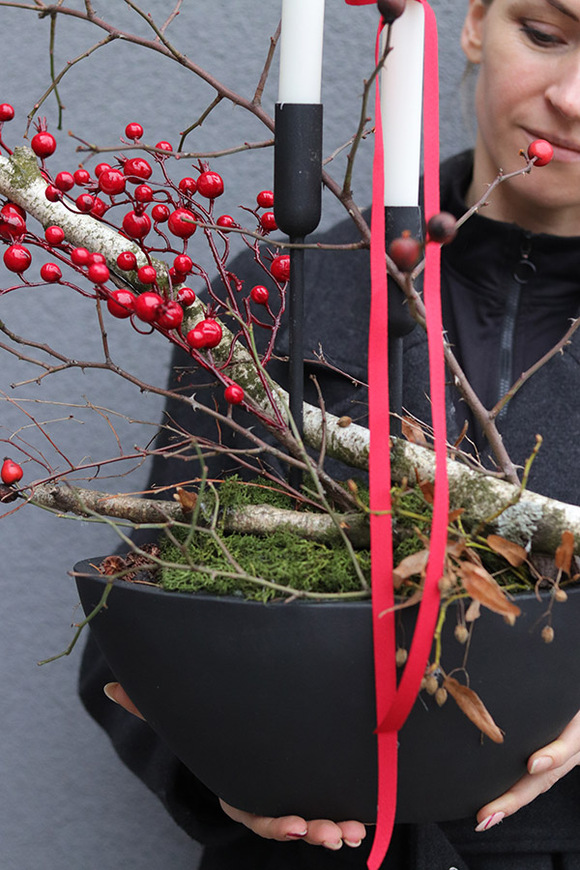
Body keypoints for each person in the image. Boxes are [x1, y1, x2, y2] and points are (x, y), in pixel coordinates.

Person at [80, 0, 580, 866]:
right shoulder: (284, 296)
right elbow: (146, 601)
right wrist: (220, 768)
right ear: (471, 23)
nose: (572, 97)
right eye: (544, 33)